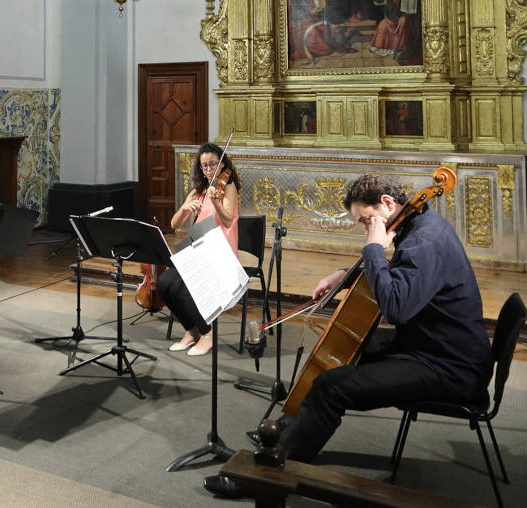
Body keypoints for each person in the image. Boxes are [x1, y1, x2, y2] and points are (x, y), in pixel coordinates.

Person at [203, 173, 493, 498]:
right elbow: (401, 275)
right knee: (339, 350)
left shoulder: (425, 240)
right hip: (428, 344)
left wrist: (372, 250)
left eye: (367, 221)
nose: (367, 229)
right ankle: (286, 431)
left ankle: (268, 477)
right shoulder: (419, 225)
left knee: (332, 387)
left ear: (386, 203)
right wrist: (346, 274)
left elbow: (396, 307)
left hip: (449, 367)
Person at [156, 143, 240, 356]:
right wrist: (184, 209)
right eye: (204, 166)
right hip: (199, 252)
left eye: (213, 164)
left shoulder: (227, 187)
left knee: (186, 286)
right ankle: (191, 330)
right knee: (164, 283)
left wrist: (215, 201)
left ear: (222, 164)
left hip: (221, 255)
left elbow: (228, 220)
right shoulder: (198, 191)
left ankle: (207, 333)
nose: (209, 170)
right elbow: (174, 224)